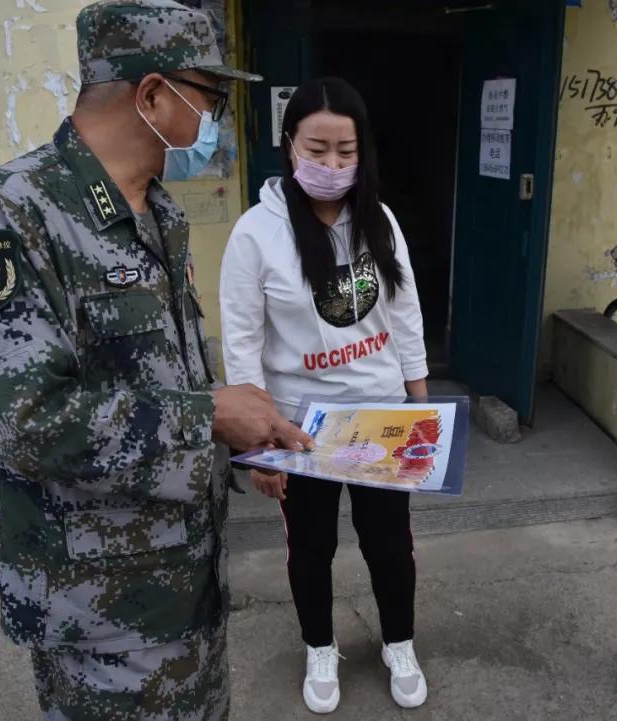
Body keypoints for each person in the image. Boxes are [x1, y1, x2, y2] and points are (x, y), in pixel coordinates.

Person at [0, 2, 313, 719]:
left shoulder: (157, 213)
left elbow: (164, 377)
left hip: (185, 580)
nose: (216, 118)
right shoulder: (10, 215)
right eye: (210, 96)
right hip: (100, 607)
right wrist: (211, 414)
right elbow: (30, 422)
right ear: (152, 96)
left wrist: (241, 443)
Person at [219, 77, 430, 714]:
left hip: (381, 415)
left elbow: (406, 315)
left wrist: (423, 412)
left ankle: (399, 642)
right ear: (289, 146)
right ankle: (320, 646)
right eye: (318, 149)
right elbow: (241, 342)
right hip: (299, 427)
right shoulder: (256, 233)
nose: (333, 165)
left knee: (389, 542)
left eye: (347, 151)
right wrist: (258, 445)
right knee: (310, 548)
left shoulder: (380, 219)